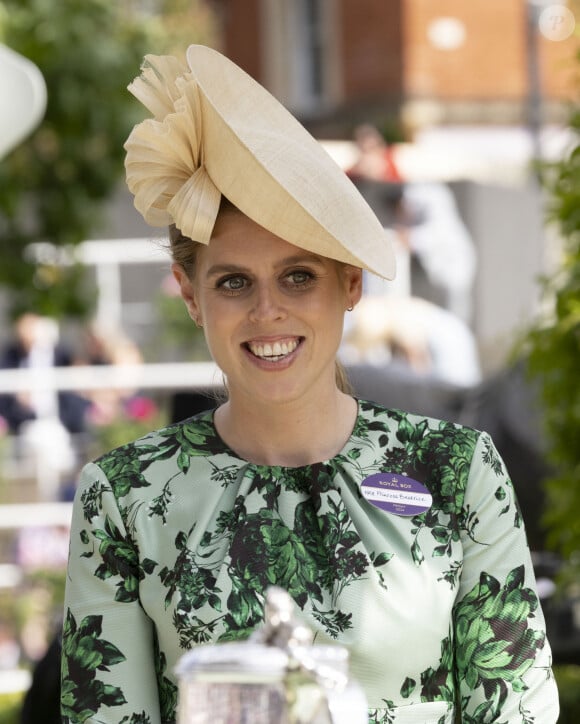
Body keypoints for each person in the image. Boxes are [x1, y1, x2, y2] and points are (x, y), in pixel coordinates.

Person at [60, 46, 559, 724]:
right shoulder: (123, 499)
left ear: (349, 283)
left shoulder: (457, 472)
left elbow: (515, 712)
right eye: (233, 281)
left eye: (299, 276)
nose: (268, 311)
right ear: (190, 295)